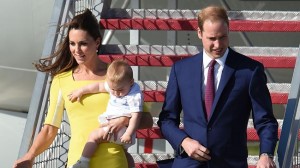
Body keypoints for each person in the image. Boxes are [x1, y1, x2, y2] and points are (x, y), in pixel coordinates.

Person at [13, 9, 153, 168]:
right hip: (78, 162)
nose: (76, 50)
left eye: (83, 43)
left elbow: (147, 120)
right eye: (72, 43)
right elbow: (49, 130)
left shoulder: (116, 77)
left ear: (97, 43)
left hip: (113, 161)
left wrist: (124, 120)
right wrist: (29, 157)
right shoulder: (61, 81)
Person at [158, 5, 278, 168]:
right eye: (212, 38)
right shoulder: (181, 70)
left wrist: (266, 154)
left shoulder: (250, 71)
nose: (218, 44)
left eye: (222, 37)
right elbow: (166, 119)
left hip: (230, 163)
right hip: (188, 163)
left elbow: (265, 120)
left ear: (229, 30)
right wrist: (184, 142)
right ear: (199, 33)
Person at [68, 60, 143, 168]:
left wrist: (128, 133)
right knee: (125, 152)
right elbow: (98, 87)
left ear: (131, 82)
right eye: (113, 89)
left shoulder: (134, 96)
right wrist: (81, 91)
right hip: (122, 132)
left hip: (121, 130)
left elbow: (136, 116)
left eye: (120, 90)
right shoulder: (120, 85)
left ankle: (83, 162)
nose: (116, 93)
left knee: (94, 136)